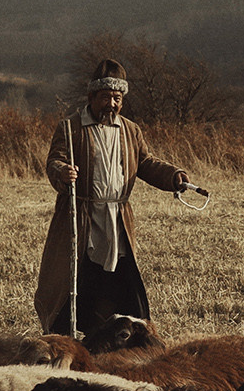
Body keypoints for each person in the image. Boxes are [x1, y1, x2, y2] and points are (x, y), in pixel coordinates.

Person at [34, 59, 200, 337]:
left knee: (121, 281)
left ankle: (128, 338)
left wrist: (173, 176)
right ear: (91, 97)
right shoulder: (71, 127)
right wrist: (62, 172)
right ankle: (68, 338)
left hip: (118, 219)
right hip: (82, 217)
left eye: (117, 98)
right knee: (76, 279)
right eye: (106, 97)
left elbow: (145, 162)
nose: (111, 104)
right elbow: (54, 161)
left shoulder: (130, 130)